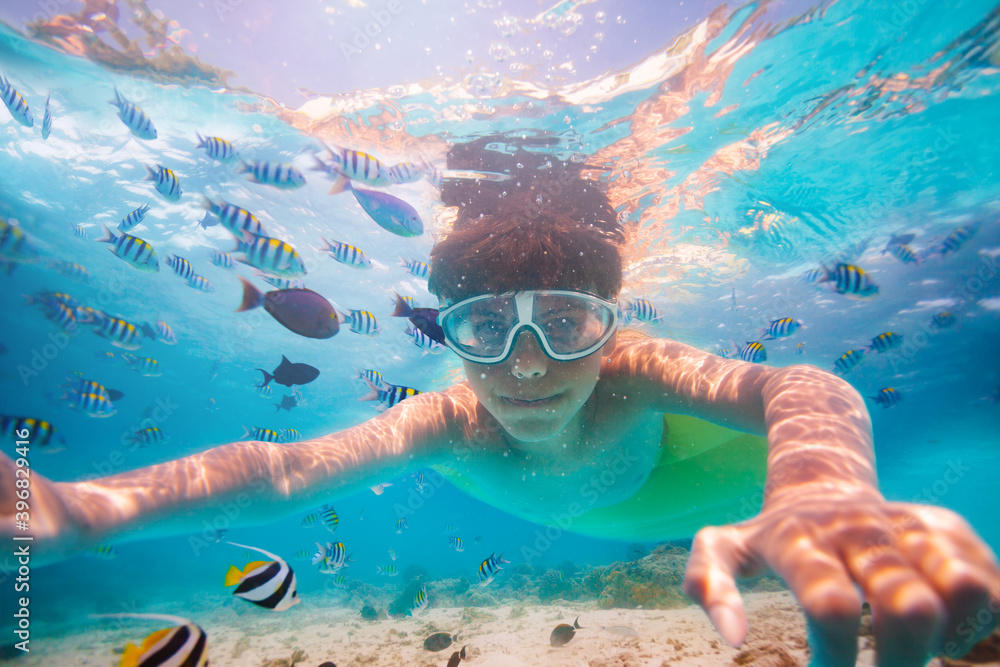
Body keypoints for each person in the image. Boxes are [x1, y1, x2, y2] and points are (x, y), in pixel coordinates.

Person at [3, 134, 998, 666]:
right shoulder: (449, 417)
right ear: (445, 332)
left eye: (566, 323)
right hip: (632, 509)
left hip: (707, 480)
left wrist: (819, 491)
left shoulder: (639, 370)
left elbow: (799, 382)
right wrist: (81, 509)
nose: (525, 364)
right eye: (482, 328)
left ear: (612, 320)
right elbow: (283, 467)